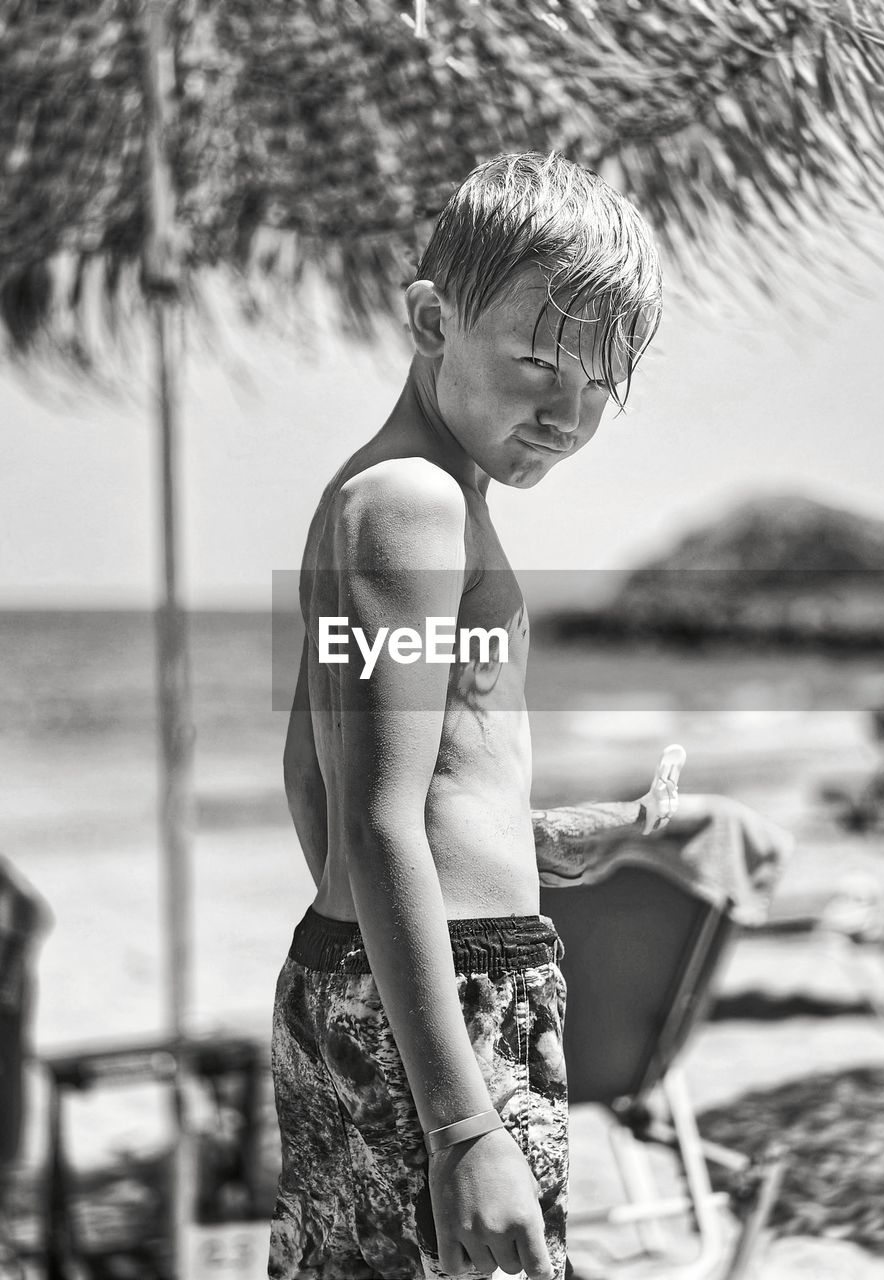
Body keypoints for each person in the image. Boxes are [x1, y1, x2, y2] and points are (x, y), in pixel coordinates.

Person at [270, 152, 680, 1280]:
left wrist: (521, 841)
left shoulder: (389, 497)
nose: (568, 411)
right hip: (447, 1007)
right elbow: (373, 819)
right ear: (431, 318)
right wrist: (458, 1125)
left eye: (601, 381)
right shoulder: (410, 504)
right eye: (539, 360)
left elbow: (322, 778)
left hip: (406, 983)